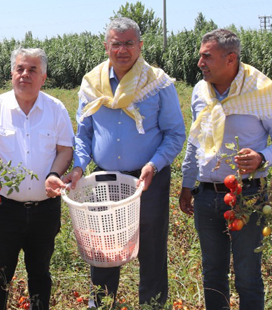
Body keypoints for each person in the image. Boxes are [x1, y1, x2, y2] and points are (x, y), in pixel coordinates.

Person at [65, 17, 185, 308]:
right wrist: (79, 166)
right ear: (106, 46)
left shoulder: (157, 82)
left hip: (149, 179)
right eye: (116, 43)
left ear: (140, 46)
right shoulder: (92, 83)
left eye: (129, 43)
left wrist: (154, 165)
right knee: (104, 247)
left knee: (152, 248)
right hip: (105, 179)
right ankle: (103, 304)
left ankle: (152, 305)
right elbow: (84, 135)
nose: (122, 49)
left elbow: (174, 133)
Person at [178, 29, 272, 310]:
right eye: (200, 56)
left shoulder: (260, 89)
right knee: (212, 272)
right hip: (206, 195)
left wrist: (262, 157)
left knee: (247, 272)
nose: (200, 63)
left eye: (206, 56)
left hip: (248, 194)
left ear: (230, 59)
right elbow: (195, 140)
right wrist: (186, 185)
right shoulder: (199, 91)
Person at [0, 47, 73, 310]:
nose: (25, 74)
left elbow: (65, 150)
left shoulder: (56, 109)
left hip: (45, 210)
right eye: (20, 69)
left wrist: (53, 174)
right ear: (12, 73)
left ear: (43, 77)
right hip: (4, 209)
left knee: (40, 274)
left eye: (32, 70)